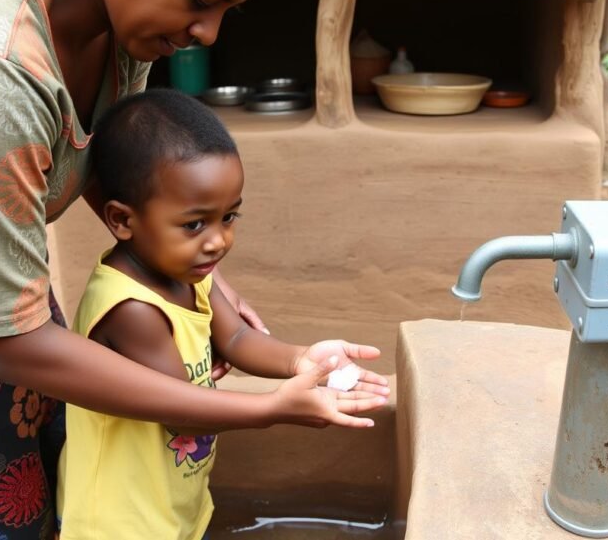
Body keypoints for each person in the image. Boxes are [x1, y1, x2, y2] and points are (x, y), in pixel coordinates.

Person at [0, 0, 389, 538]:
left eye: (227, 10)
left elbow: (119, 171)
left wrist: (198, 276)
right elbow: (11, 344)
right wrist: (266, 409)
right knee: (7, 515)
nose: (208, 35)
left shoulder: (119, 20)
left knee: (65, 458)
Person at [56, 88, 386, 540]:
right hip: (121, 521)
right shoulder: (131, 308)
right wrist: (274, 408)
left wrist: (303, 359)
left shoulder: (187, 273)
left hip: (169, 502)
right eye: (194, 224)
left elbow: (236, 341)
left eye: (229, 217)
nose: (217, 241)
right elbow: (183, 415)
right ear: (122, 220)